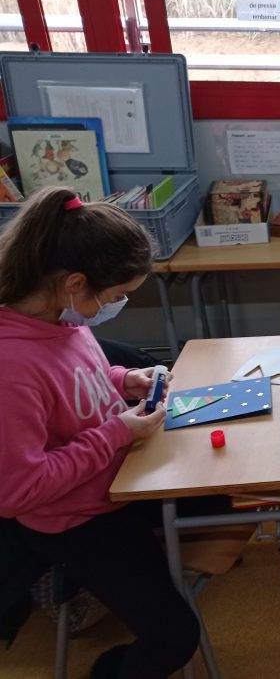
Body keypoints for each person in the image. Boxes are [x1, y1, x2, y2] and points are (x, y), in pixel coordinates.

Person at [0, 187, 199, 679]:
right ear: (74, 283)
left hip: (116, 481)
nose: (117, 306)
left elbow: (76, 378)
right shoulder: (10, 366)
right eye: (113, 297)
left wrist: (122, 380)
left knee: (218, 486)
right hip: (75, 519)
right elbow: (18, 491)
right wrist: (115, 434)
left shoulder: (61, 319)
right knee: (174, 637)